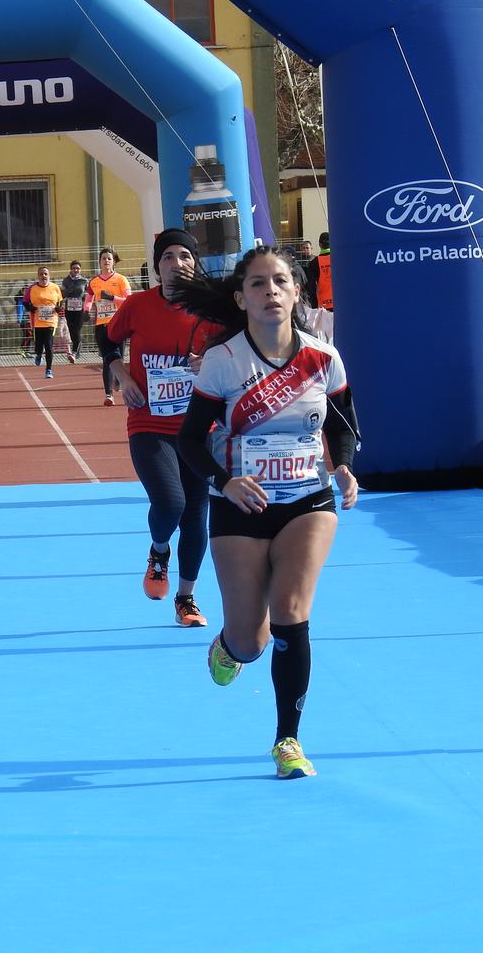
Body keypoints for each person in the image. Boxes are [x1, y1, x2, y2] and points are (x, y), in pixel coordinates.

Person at [173, 245, 360, 780]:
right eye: (258, 283)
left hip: (309, 500)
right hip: (240, 505)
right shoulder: (223, 361)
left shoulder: (322, 356)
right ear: (241, 297)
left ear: (298, 292)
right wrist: (225, 482)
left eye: (280, 281)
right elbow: (191, 441)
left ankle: (287, 741)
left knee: (291, 610)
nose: (270, 291)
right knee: (252, 641)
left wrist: (343, 468)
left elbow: (343, 424)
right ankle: (230, 645)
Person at [99, 228, 224, 627]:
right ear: (157, 266)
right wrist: (122, 373)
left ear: (195, 263)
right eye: (168, 257)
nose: (176, 264)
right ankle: (157, 552)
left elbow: (233, 357)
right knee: (171, 503)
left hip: (197, 428)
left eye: (184, 256)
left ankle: (186, 599)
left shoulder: (211, 312)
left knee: (196, 516)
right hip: (148, 423)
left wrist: (209, 364)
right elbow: (107, 340)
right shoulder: (137, 305)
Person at [88, 248, 132, 405]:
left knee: (118, 357)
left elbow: (129, 300)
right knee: (107, 359)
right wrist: (86, 311)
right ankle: (108, 395)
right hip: (101, 324)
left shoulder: (121, 280)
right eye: (103, 258)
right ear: (99, 261)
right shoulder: (94, 282)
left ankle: (118, 380)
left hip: (118, 323)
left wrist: (112, 297)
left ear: (113, 261)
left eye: (109, 258)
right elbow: (88, 299)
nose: (106, 261)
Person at [25, 265, 62, 378]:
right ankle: (38, 354)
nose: (43, 276)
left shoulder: (55, 287)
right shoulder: (32, 288)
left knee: (49, 345)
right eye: (41, 274)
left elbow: (60, 302)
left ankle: (49, 370)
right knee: (38, 344)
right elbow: (25, 301)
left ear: (49, 276)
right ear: (38, 276)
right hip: (37, 321)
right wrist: (30, 308)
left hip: (51, 321)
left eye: (45, 274)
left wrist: (58, 308)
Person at [303, 231, 333, 342]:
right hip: (341, 304)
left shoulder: (313, 263)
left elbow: (311, 287)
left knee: (327, 339)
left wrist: (315, 307)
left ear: (319, 245)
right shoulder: (340, 259)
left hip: (323, 306)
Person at [61, 260, 90, 362]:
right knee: (71, 329)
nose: (75, 270)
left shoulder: (84, 281)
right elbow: (62, 295)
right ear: (71, 269)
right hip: (69, 309)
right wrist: (68, 290)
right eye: (74, 268)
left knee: (76, 330)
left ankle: (73, 352)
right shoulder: (66, 280)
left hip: (80, 309)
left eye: (77, 268)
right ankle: (77, 346)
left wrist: (87, 309)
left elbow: (89, 296)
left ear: (80, 269)